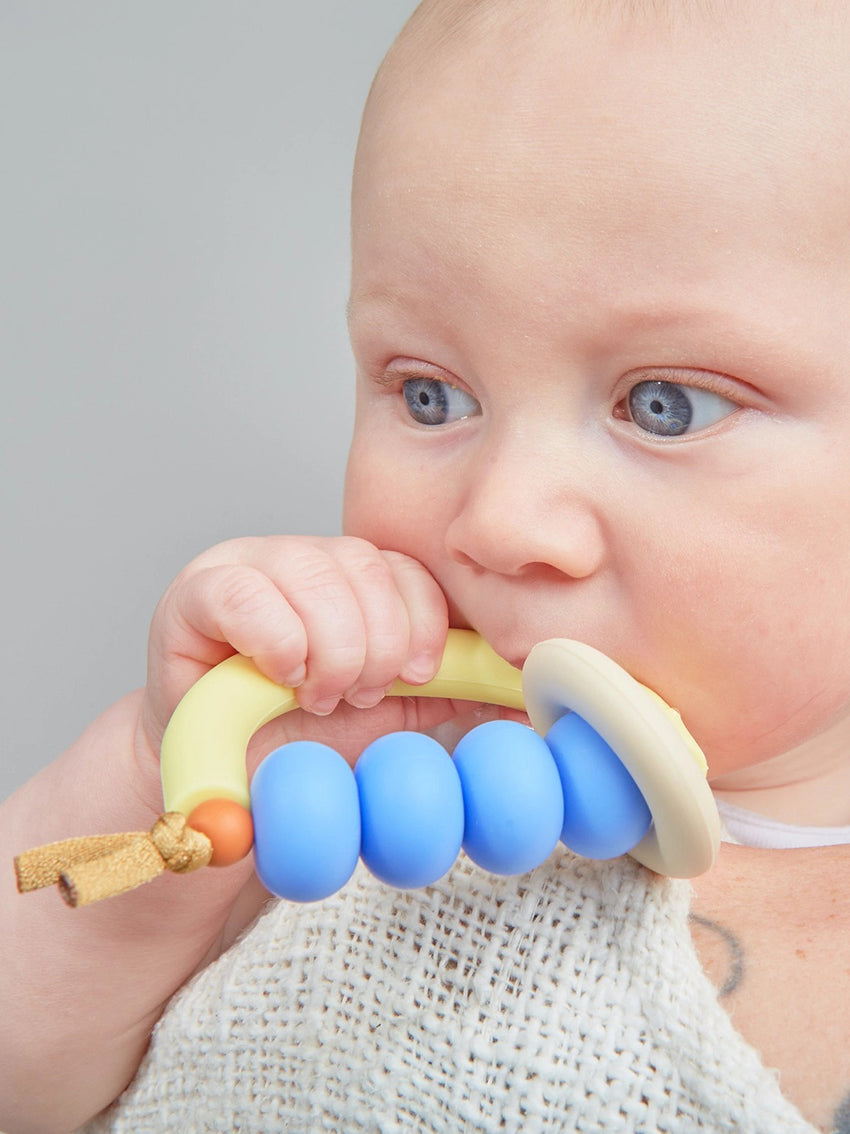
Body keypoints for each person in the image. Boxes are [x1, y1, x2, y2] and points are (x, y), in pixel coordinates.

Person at [3, 0, 850, 1130]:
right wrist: (163, 760)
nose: (497, 521)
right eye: (428, 393)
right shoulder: (330, 800)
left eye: (666, 405)